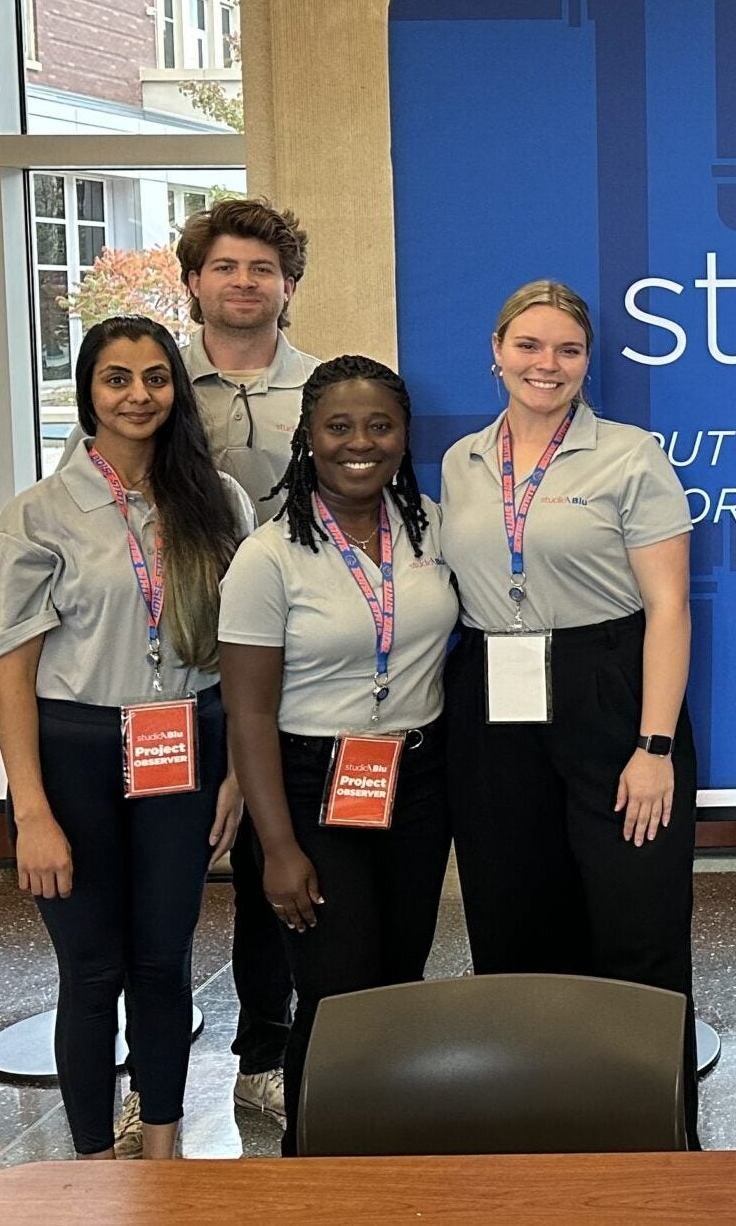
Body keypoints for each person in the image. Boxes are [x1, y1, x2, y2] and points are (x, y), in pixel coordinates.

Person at [0, 317, 252, 1161]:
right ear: (88, 391)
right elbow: (14, 676)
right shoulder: (41, 512)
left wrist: (237, 771)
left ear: (177, 388)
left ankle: (163, 1144)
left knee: (164, 961)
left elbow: (244, 650)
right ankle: (94, 1158)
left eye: (156, 377)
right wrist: (32, 812)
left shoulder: (218, 498)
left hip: (188, 738)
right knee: (93, 970)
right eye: (117, 378)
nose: (139, 395)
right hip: (77, 752)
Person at [439, 279, 699, 1129]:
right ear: (497, 350)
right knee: (513, 924)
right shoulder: (461, 461)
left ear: (587, 363)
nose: (546, 365)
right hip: (492, 695)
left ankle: (653, 1130)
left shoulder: (631, 454)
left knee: (636, 925)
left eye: (567, 350)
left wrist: (653, 745)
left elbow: (667, 606)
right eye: (530, 346)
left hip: (609, 691)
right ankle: (534, 1127)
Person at [219, 357, 459, 1154]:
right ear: (307, 437)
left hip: (416, 778)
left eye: (380, 425)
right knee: (336, 991)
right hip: (309, 783)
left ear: (404, 435)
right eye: (340, 426)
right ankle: (318, 1171)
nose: (361, 443)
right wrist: (277, 847)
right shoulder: (269, 556)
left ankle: (390, 1162)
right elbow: (249, 710)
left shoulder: (429, 528)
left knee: (398, 983)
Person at [158, 196, 317, 1139]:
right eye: (225, 267)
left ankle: (264, 1053)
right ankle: (158, 1065)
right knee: (164, 872)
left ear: (287, 287)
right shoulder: (149, 389)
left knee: (272, 857)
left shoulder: (328, 389)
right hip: (176, 673)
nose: (244, 283)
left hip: (293, 671)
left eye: (262, 270)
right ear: (194, 281)